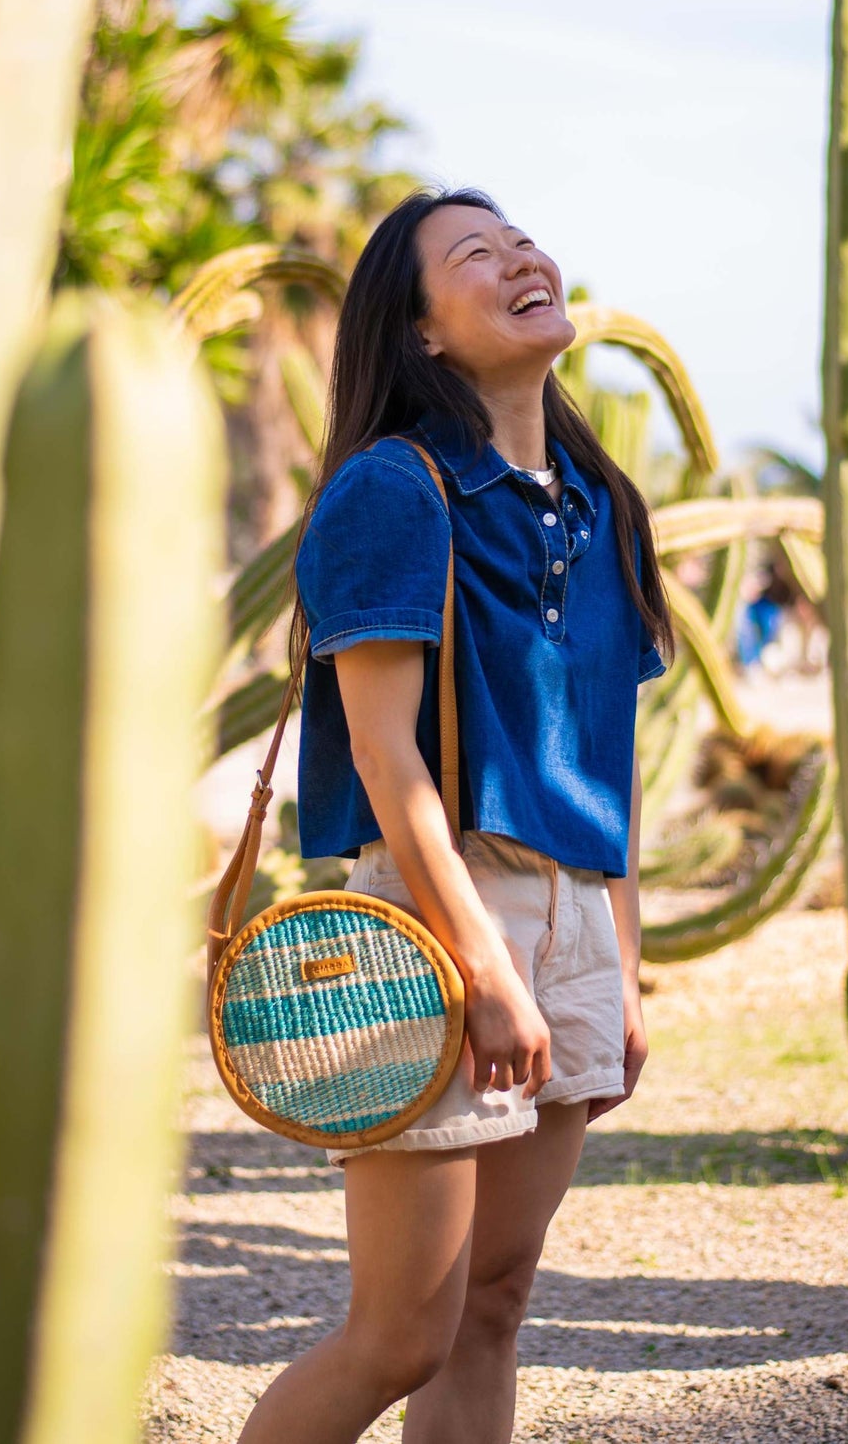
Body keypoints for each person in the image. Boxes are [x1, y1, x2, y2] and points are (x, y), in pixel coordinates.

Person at [237, 186, 673, 1444]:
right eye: (477, 254)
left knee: (494, 1305)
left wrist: (622, 965)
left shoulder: (601, 502)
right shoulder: (395, 488)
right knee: (401, 1333)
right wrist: (483, 968)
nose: (522, 257)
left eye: (522, 239)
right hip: (437, 912)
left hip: (576, 914)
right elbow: (386, 756)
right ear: (422, 332)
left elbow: (604, 760)